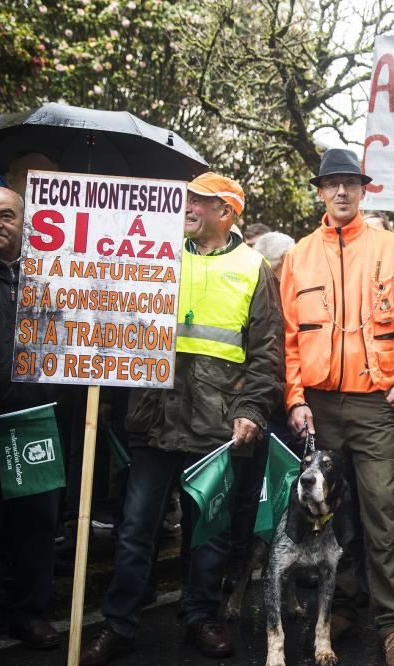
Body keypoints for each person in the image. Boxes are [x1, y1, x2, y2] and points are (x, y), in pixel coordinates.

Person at [80, 173, 284, 664]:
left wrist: (252, 410)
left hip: (216, 426)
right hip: (153, 418)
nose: (187, 205)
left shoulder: (254, 267)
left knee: (208, 532)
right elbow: (117, 318)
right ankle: (120, 624)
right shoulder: (155, 252)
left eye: (200, 201)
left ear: (227, 212)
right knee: (135, 527)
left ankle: (200, 617)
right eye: (187, 198)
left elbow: (267, 355)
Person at [279, 148, 394, 666]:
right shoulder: (299, 254)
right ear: (320, 191)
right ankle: (335, 610)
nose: (341, 192)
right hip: (318, 404)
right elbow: (290, 337)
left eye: (351, 184)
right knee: (323, 516)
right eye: (332, 184)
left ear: (363, 190)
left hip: (374, 404)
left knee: (382, 511)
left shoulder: (389, 247)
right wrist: (294, 398)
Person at [0, 187, 64, 652]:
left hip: (35, 419)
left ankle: (28, 614)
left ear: (24, 224)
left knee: (37, 523)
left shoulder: (49, 278)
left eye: (6, 215)